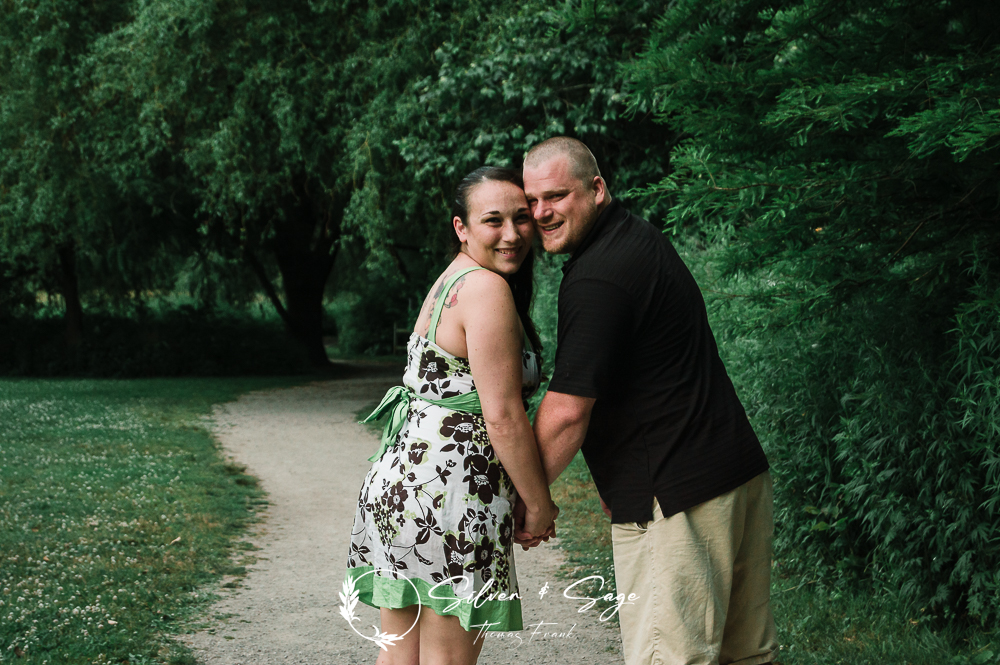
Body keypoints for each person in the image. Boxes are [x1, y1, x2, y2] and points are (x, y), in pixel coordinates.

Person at [520, 137, 778, 665]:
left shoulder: (597, 276)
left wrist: (526, 501)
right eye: (532, 201)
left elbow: (568, 410)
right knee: (744, 655)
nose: (541, 213)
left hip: (681, 496)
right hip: (734, 476)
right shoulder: (635, 238)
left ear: (596, 189)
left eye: (556, 196)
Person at [345, 166, 559, 665]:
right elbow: (503, 416)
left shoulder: (452, 281)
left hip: (403, 488)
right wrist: (539, 504)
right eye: (493, 220)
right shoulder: (486, 289)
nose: (512, 234)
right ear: (461, 227)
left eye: (522, 218)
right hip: (450, 496)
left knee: (400, 656)